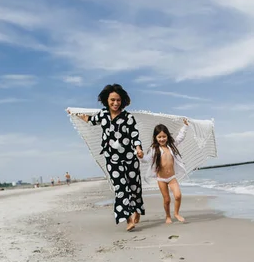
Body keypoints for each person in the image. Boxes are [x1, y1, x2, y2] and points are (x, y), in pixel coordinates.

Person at [68, 84, 144, 231]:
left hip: (130, 158)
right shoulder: (102, 115)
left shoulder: (128, 118)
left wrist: (138, 149)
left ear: (123, 101)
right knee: (120, 188)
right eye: (112, 100)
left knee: (134, 187)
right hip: (112, 158)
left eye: (118, 100)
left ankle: (137, 210)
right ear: (106, 100)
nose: (116, 103)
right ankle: (128, 219)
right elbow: (89, 120)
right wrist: (74, 113)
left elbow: (134, 135)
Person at [141, 119, 189, 224]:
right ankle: (167, 216)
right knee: (166, 200)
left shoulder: (171, 146)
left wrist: (185, 126)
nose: (162, 139)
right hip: (161, 179)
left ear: (167, 136)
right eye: (159, 137)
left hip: (172, 177)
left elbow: (180, 137)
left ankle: (176, 213)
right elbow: (146, 159)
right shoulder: (154, 149)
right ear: (155, 138)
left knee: (178, 195)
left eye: (164, 136)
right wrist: (141, 156)